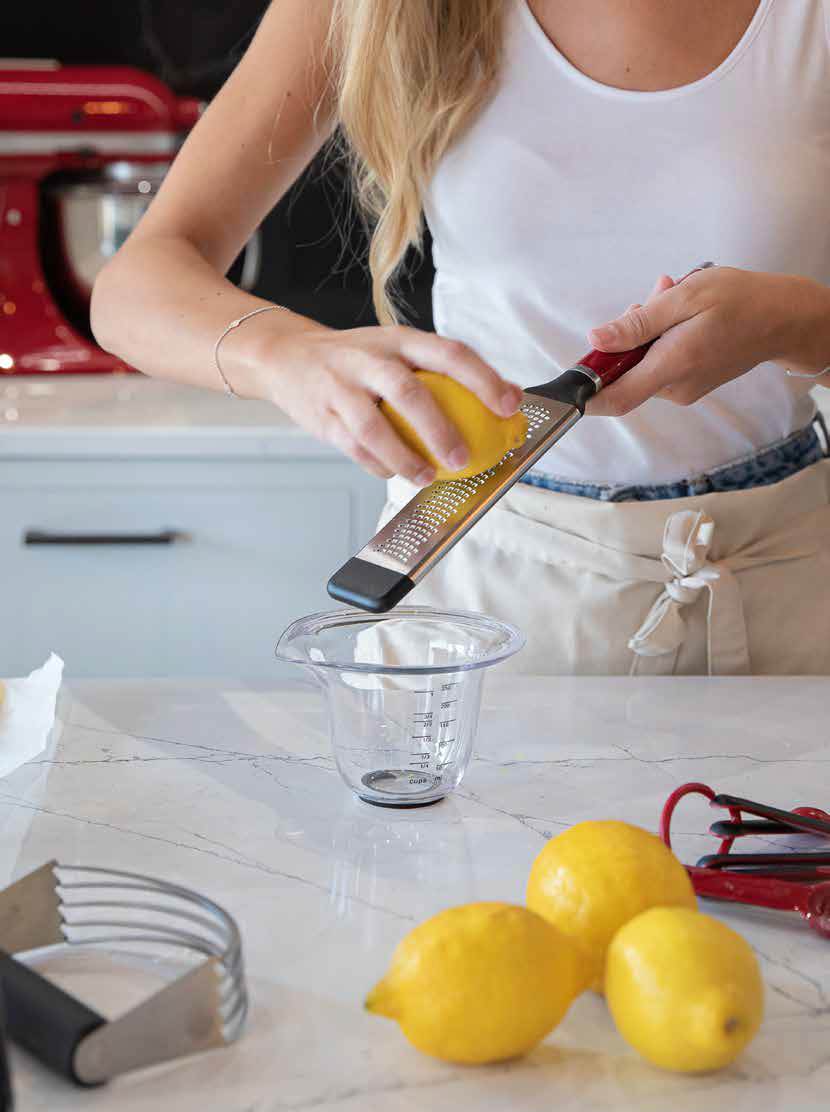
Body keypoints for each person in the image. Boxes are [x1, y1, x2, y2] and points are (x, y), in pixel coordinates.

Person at [92, 0, 830, 675]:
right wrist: (289, 355)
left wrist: (805, 324)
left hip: (789, 595)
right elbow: (135, 287)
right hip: (486, 605)